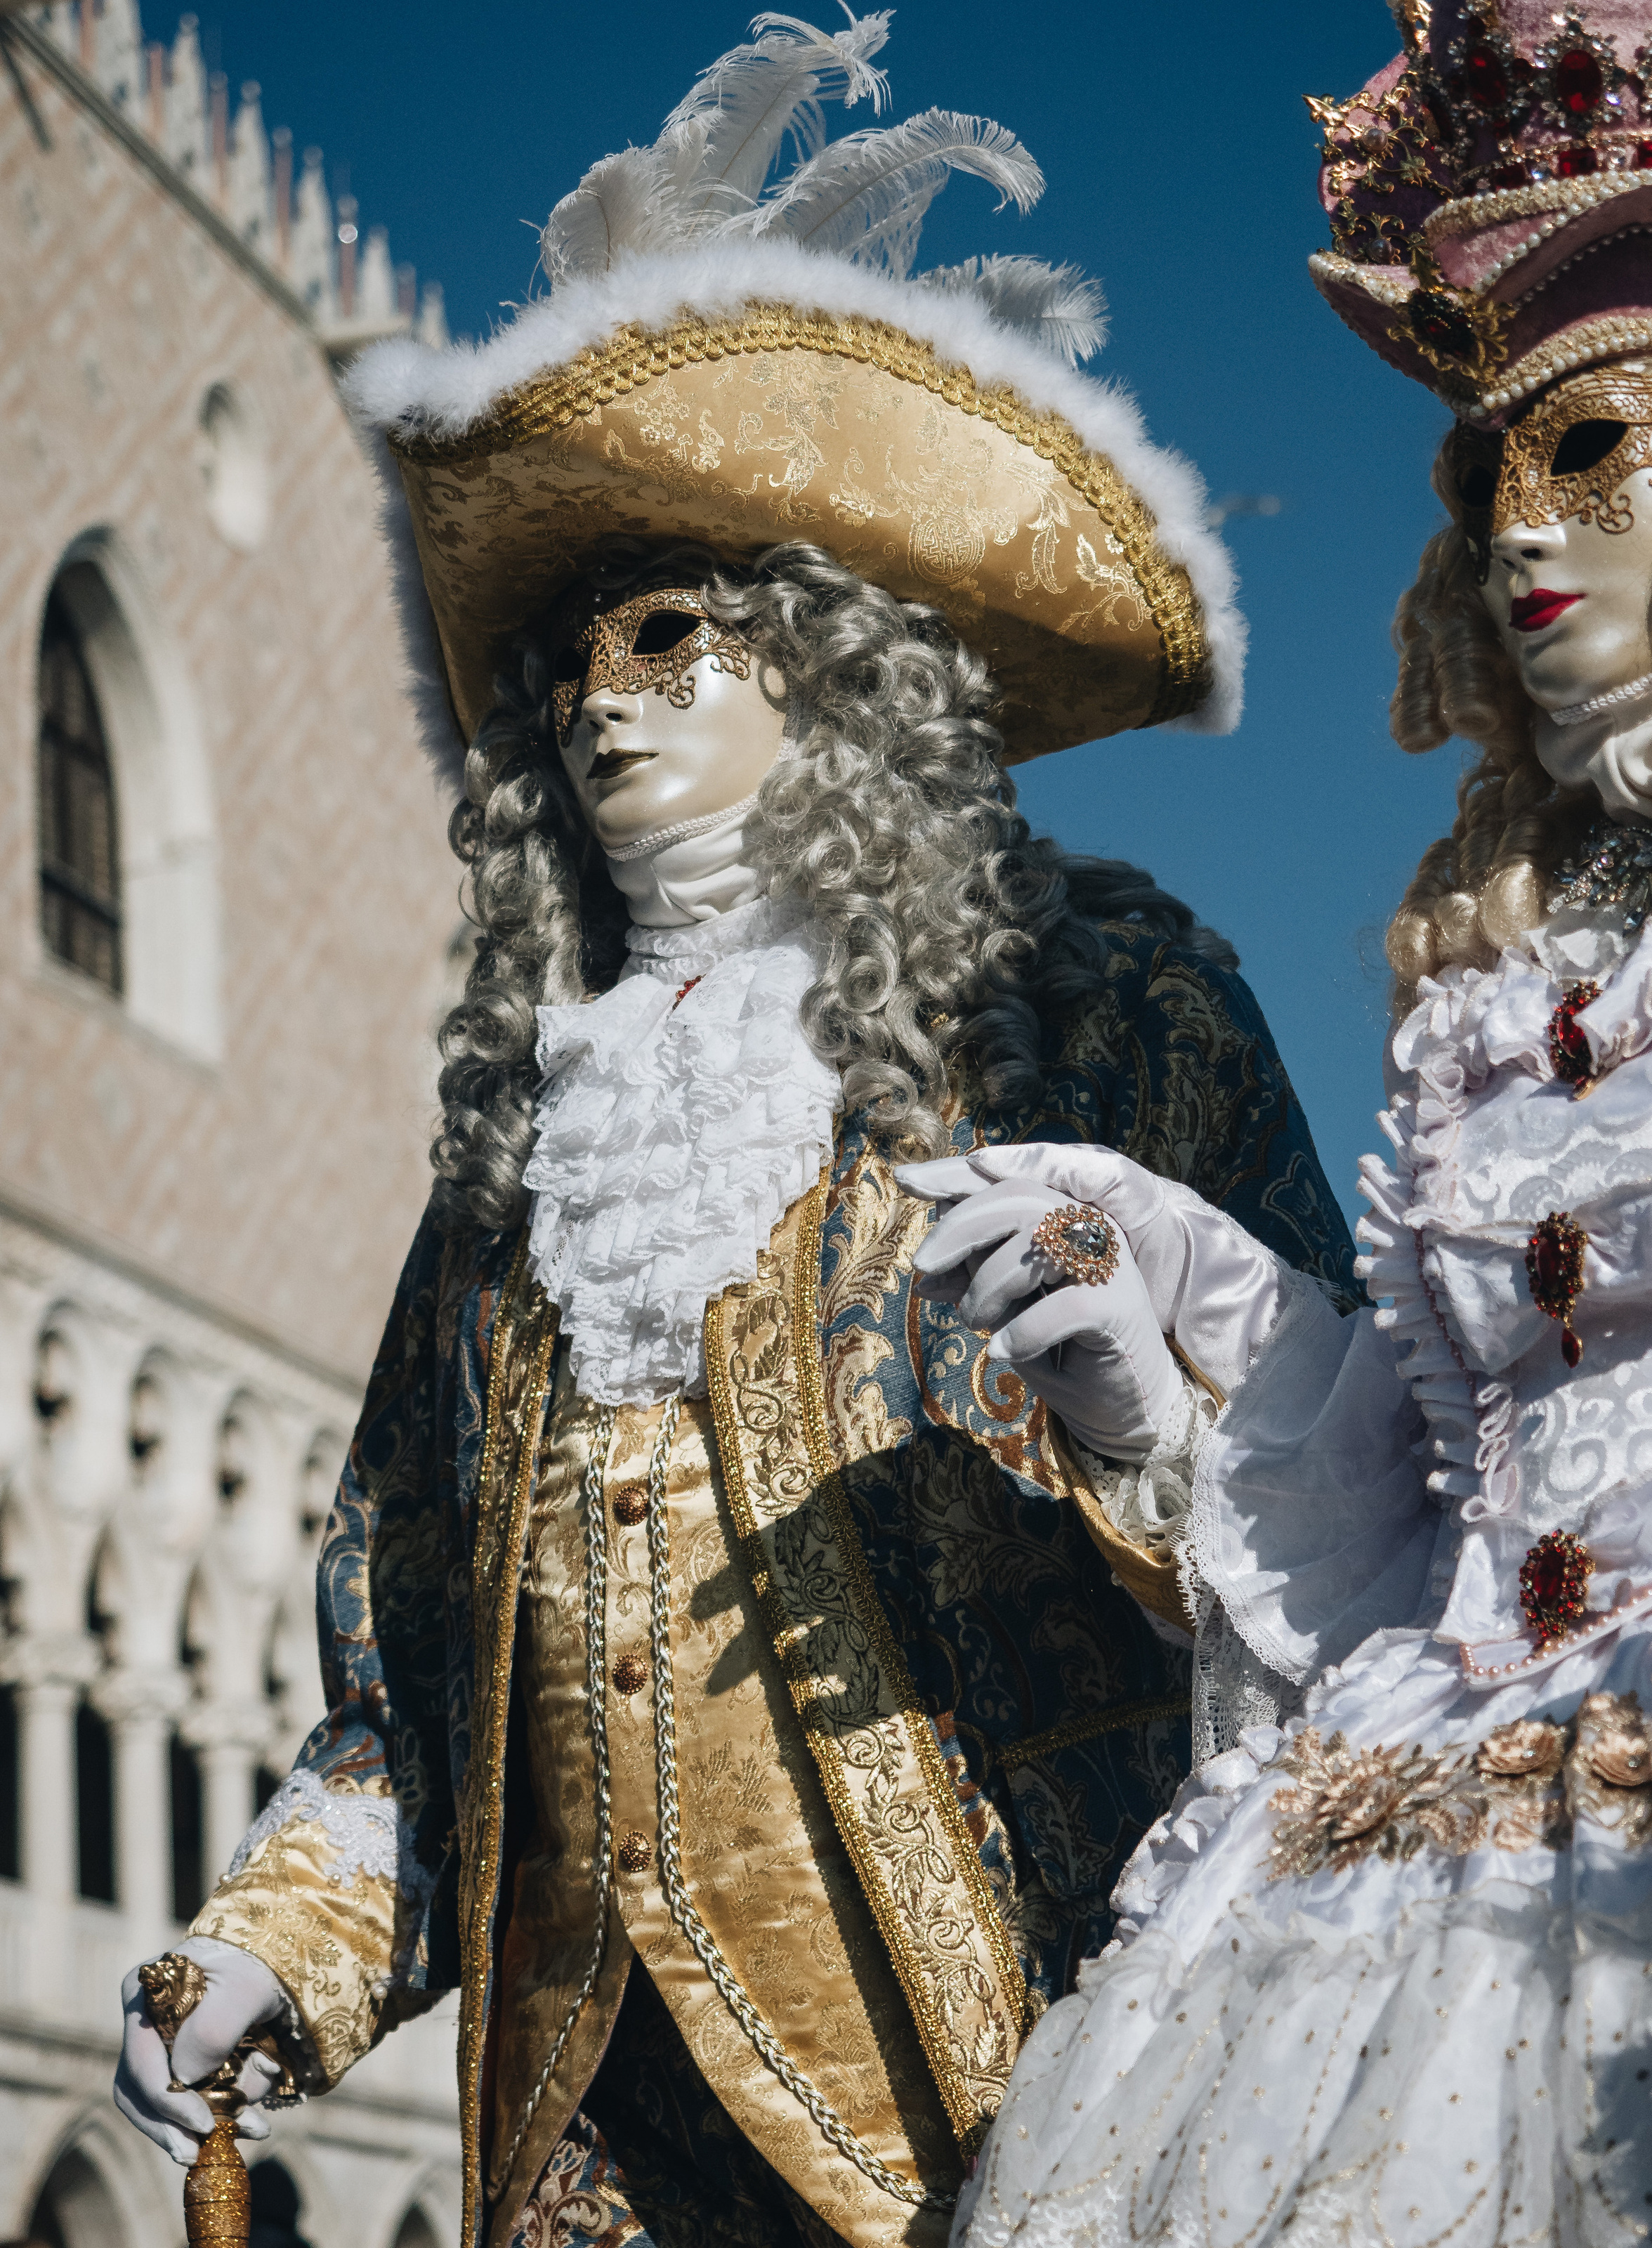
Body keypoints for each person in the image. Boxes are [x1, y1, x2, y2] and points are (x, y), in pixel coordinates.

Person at [108, 18, 1358, 2248]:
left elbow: (1358, 1531)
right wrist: (275, 1950)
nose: (603, 698)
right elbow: (406, 1680)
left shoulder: (1098, 1006)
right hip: (590, 2139)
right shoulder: (518, 1181)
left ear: (836, 664)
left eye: (675, 631)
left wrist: (1144, 1434)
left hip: (1013, 2086)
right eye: (571, 661)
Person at [948, 4, 1652, 2244]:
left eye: (1596, 451)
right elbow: (1431, 1504)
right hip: (1431, 1798)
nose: (1524, 529)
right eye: (1486, 479)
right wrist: (1169, 1311)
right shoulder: (1480, 1007)